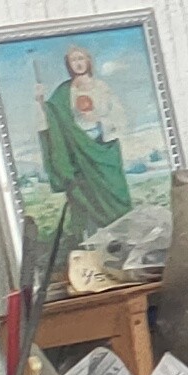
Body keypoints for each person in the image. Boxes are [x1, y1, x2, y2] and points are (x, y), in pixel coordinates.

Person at [39, 44, 136, 243]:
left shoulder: (102, 88)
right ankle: (92, 244)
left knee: (115, 195)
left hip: (103, 150)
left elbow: (120, 118)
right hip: (78, 153)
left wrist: (99, 121)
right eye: (73, 60)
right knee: (85, 197)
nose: (78, 63)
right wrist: (41, 104)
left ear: (88, 61)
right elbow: (54, 116)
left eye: (81, 58)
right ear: (68, 65)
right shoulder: (63, 92)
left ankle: (125, 239)